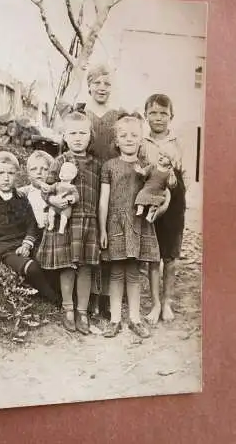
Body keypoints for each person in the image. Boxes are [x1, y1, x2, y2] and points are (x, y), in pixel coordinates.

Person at [60, 64, 125, 317]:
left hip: (110, 179)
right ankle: (89, 296)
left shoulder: (118, 115)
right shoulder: (80, 113)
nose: (102, 88)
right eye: (97, 83)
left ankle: (107, 295)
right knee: (88, 235)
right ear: (88, 85)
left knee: (108, 234)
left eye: (107, 84)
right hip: (85, 180)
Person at [0, 151, 60, 307]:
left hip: (22, 243)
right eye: (1, 173)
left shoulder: (21, 197)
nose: (6, 177)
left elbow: (31, 225)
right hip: (3, 247)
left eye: (10, 173)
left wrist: (27, 243)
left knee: (48, 260)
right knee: (32, 268)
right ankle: (55, 300)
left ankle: (62, 294)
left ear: (17, 174)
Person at [99, 112, 162, 339]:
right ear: (116, 140)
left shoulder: (146, 167)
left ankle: (134, 319)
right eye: (123, 135)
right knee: (116, 272)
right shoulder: (109, 166)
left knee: (134, 273)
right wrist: (103, 229)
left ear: (140, 139)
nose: (128, 139)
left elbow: (157, 191)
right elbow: (103, 200)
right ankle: (115, 320)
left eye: (134, 135)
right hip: (115, 223)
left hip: (138, 224)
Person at [37, 111, 101, 335]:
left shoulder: (96, 164)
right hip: (66, 220)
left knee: (85, 267)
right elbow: (46, 188)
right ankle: (68, 310)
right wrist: (51, 199)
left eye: (82, 133)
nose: (77, 137)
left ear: (90, 136)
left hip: (88, 223)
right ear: (64, 136)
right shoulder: (59, 161)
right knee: (67, 266)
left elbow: (101, 196)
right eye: (72, 133)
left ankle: (83, 312)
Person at [141, 94, 187, 324]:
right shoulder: (141, 143)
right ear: (145, 115)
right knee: (152, 257)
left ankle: (167, 301)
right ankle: (155, 303)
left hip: (174, 206)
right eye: (153, 113)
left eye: (163, 114)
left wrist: (173, 184)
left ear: (171, 116)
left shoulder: (179, 144)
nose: (158, 118)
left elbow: (185, 178)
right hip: (151, 205)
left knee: (169, 257)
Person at [135, 150, 177, 222]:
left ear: (170, 162)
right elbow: (145, 172)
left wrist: (172, 174)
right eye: (160, 154)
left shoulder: (168, 173)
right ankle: (140, 210)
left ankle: (150, 215)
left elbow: (171, 184)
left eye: (165, 157)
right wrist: (140, 171)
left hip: (159, 193)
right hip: (147, 190)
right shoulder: (153, 166)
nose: (161, 157)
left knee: (155, 205)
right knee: (141, 195)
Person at [18, 150, 54, 234]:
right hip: (27, 235)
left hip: (49, 235)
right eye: (33, 169)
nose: (39, 172)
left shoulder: (55, 192)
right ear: (28, 174)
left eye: (45, 169)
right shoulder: (22, 193)